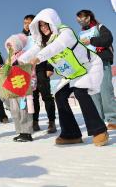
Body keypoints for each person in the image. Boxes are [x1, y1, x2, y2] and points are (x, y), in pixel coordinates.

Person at [19, 8, 108, 146]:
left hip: (88, 67)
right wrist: (17, 62)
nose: (43, 28)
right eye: (40, 26)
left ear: (52, 22)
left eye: (45, 24)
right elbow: (32, 51)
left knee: (80, 92)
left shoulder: (65, 32)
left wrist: (38, 58)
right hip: (72, 74)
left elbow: (57, 46)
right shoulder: (44, 42)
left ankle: (99, 131)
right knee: (60, 95)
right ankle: (71, 134)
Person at [76, 9, 116, 130]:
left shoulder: (99, 27)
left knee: (105, 91)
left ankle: (112, 119)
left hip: (102, 62)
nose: (80, 21)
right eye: (78, 20)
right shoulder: (80, 34)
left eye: (82, 18)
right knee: (94, 93)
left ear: (88, 17)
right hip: (89, 66)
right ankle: (98, 119)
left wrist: (91, 41)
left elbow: (108, 39)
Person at [22, 14, 56, 133]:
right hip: (29, 70)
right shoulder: (21, 37)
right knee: (33, 96)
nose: (27, 25)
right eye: (25, 23)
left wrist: (50, 67)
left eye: (29, 23)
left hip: (41, 68)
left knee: (46, 95)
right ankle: (34, 121)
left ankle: (51, 122)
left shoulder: (40, 35)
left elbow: (51, 50)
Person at [4, 33, 35, 142]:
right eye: (8, 46)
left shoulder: (25, 54)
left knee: (23, 109)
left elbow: (31, 68)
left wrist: (32, 81)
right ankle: (20, 131)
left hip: (23, 86)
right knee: (15, 110)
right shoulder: (8, 59)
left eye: (11, 45)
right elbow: (5, 72)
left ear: (17, 45)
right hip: (12, 86)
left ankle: (27, 132)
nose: (9, 48)